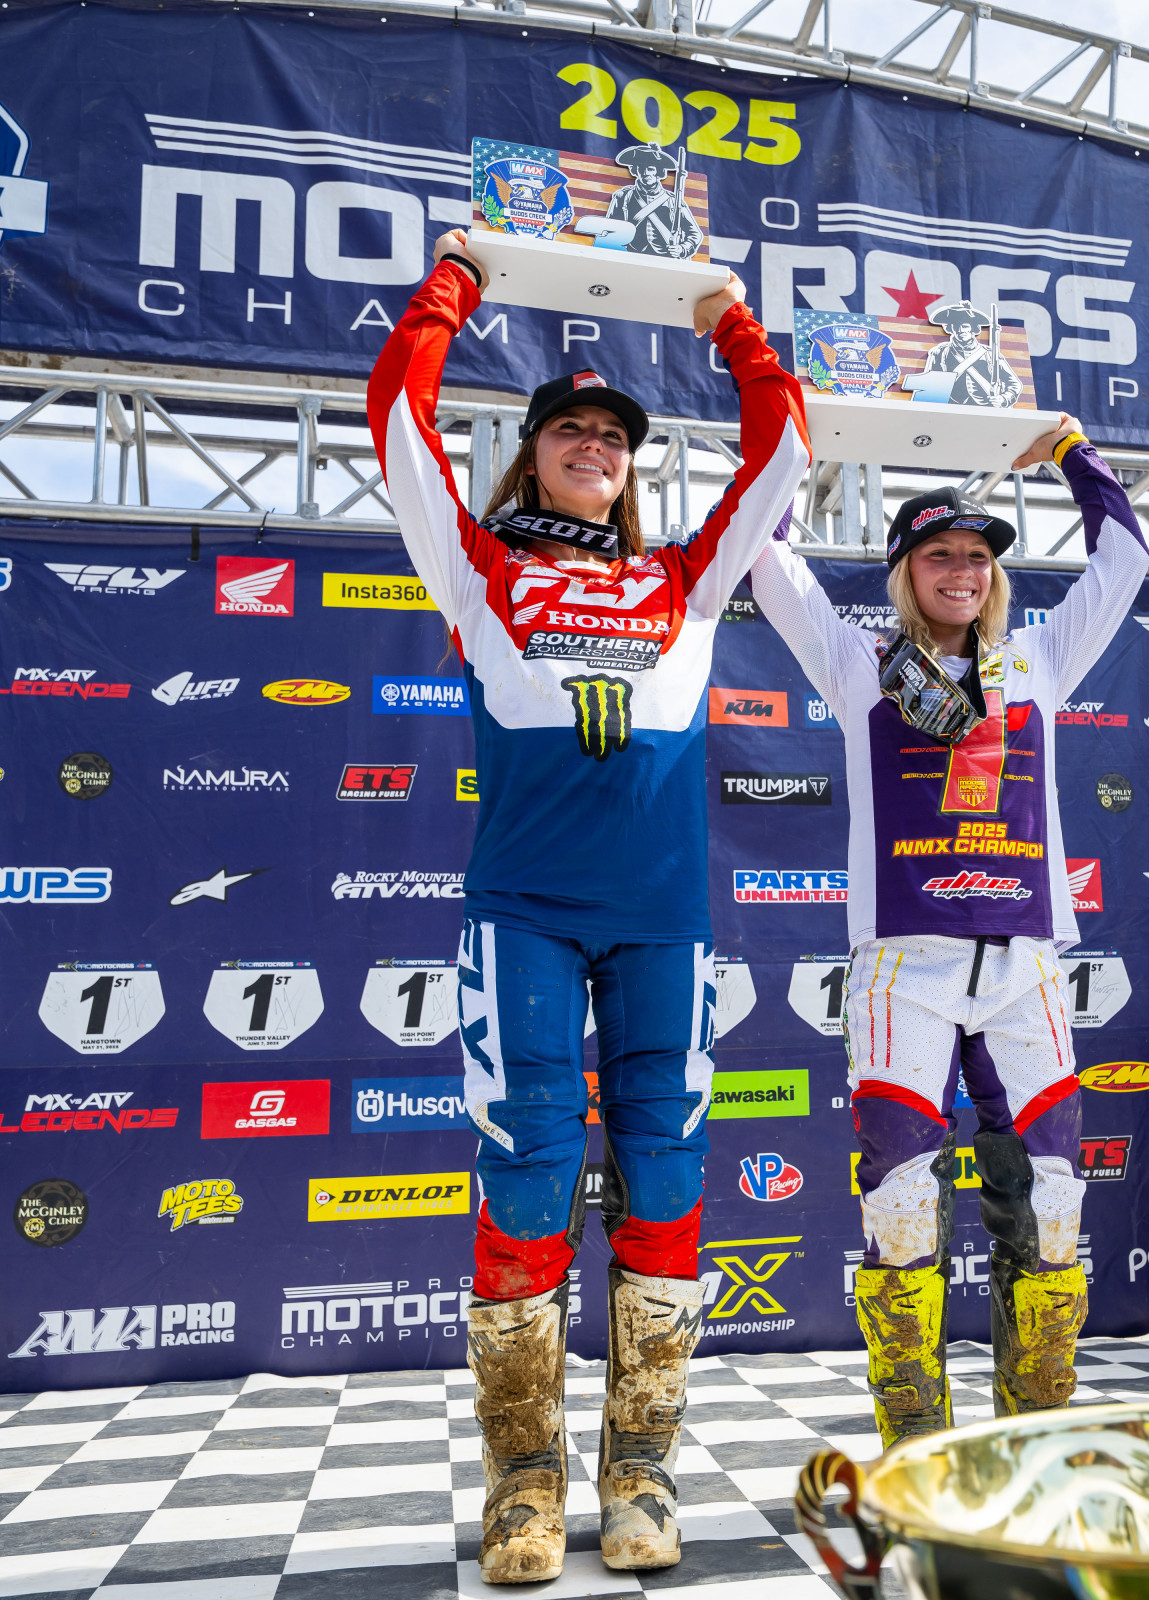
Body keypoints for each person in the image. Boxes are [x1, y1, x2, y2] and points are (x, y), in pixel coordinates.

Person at [369, 228, 808, 1583]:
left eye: (615, 432)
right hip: (525, 914)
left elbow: (785, 453)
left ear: (633, 459)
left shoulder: (683, 580)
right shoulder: (481, 569)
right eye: (571, 427)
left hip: (665, 919)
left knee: (670, 1182)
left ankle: (642, 1478)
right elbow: (396, 419)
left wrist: (733, 324)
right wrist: (455, 285)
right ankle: (522, 1483)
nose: (595, 443)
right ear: (535, 447)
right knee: (527, 1177)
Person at [746, 416, 1146, 1445]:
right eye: (940, 555)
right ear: (904, 571)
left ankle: (1034, 1440)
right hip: (903, 970)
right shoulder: (856, 662)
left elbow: (1128, 555)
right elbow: (764, 553)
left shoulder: (1041, 660)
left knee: (1055, 1202)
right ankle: (915, 1444)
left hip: (1025, 966)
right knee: (899, 1205)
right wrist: (799, 440)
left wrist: (1070, 451)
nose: (962, 571)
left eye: (977, 556)